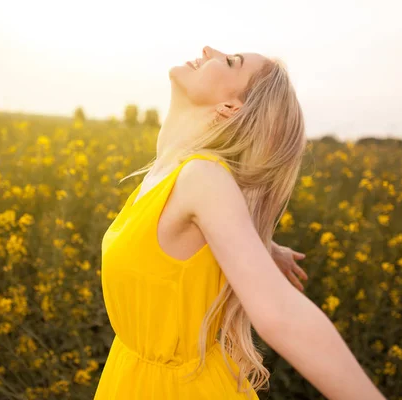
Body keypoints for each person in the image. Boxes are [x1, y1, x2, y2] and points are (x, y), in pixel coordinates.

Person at [94, 46, 386, 399]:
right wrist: (260, 247)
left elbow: (281, 314)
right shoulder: (172, 169)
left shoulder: (201, 177)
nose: (209, 50)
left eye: (232, 61)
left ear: (230, 108)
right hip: (131, 378)